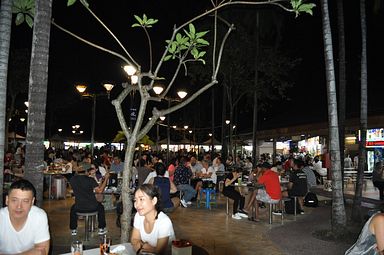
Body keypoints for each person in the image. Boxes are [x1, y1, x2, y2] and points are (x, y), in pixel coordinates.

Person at [0, 179, 50, 255]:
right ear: (7, 200)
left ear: (32, 202)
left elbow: (42, 251)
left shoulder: (39, 216)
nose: (19, 206)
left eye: (25, 201)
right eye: (14, 200)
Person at [131, 184, 176, 255]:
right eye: (135, 200)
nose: (137, 204)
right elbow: (134, 240)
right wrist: (142, 248)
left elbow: (159, 252)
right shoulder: (139, 216)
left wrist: (141, 245)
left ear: (154, 201)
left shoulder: (164, 222)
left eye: (141, 199)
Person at [69, 165, 110, 236]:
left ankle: (73, 230)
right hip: (92, 207)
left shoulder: (72, 179)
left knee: (73, 208)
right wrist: (106, 179)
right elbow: (99, 191)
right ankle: (101, 229)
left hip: (79, 207)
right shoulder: (90, 180)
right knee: (101, 207)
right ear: (87, 171)